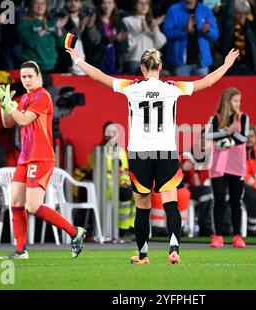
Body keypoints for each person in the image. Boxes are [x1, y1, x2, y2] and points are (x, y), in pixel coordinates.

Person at [66, 45, 239, 264]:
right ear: (160, 66)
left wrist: (78, 59)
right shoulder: (172, 87)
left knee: (142, 207)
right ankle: (173, 249)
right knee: (171, 203)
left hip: (140, 153)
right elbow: (207, 82)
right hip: (166, 151)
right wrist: (226, 64)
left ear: (141, 68)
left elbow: (99, 77)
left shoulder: (132, 87)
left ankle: (143, 255)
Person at [0, 61, 86, 259]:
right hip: (25, 157)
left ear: (38, 77)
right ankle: (21, 250)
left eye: (30, 76)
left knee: (32, 206)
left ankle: (75, 232)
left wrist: (9, 104)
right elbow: (9, 123)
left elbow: (23, 120)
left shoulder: (43, 96)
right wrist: (3, 104)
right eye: (23, 77)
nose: (26, 80)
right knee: (15, 201)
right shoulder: (24, 98)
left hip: (41, 157)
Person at [206, 87, 250, 248]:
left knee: (235, 201)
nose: (238, 104)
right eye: (235, 100)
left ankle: (237, 235)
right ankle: (218, 235)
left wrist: (230, 136)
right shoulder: (215, 117)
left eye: (239, 100)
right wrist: (227, 131)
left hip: (237, 165)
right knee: (218, 200)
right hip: (219, 165)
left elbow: (244, 138)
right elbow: (209, 135)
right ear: (227, 101)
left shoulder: (243, 117)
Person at [163, 0, 219, 76]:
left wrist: (207, 31)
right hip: (181, 64)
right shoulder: (173, 9)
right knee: (181, 88)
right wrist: (184, 30)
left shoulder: (206, 10)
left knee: (202, 88)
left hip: (202, 64)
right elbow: (167, 33)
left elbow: (215, 35)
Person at [18, 0, 68, 72]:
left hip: (51, 65)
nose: (40, 6)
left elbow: (60, 44)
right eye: (36, 3)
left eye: (42, 3)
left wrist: (58, 29)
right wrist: (41, 32)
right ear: (31, 5)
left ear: (46, 5)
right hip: (33, 66)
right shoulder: (25, 22)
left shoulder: (51, 22)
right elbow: (28, 42)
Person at [219, 0, 256, 75]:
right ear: (234, 14)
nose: (241, 16)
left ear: (247, 14)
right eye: (238, 13)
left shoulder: (251, 27)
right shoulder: (229, 26)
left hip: (249, 65)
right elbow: (228, 14)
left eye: (244, 13)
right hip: (232, 65)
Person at [82, 0, 128, 74]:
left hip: (115, 59)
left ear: (114, 5)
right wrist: (109, 39)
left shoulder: (119, 22)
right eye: (104, 3)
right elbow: (93, 42)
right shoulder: (95, 20)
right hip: (98, 58)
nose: (106, 6)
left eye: (109, 2)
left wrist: (119, 40)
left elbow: (124, 46)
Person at [122, 0, 167, 75]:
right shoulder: (127, 21)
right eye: (140, 3)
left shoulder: (151, 22)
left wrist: (154, 28)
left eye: (146, 3)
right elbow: (127, 44)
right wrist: (142, 31)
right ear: (135, 5)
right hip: (134, 60)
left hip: (152, 62)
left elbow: (160, 44)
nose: (144, 5)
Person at [54, 0, 90, 75]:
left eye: (76, 1)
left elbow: (95, 41)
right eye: (70, 1)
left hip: (85, 67)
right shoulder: (59, 18)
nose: (73, 3)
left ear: (81, 3)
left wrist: (90, 27)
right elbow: (61, 42)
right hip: (66, 67)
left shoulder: (87, 18)